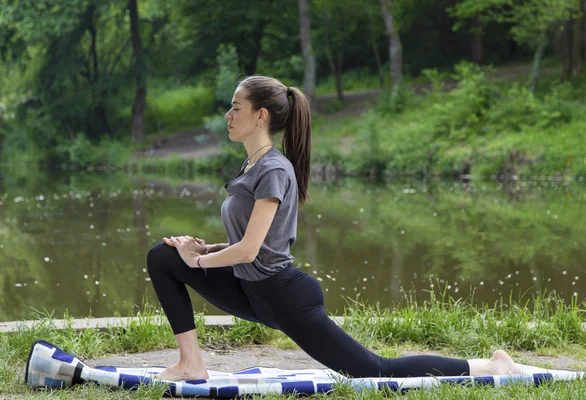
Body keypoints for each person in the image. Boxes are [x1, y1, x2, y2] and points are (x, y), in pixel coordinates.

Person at [146, 75, 524, 382]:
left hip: (283, 295)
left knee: (375, 371)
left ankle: (491, 366)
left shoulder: (274, 169)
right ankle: (191, 365)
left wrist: (195, 264)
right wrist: (201, 250)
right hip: (251, 290)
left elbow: (249, 251)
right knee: (163, 257)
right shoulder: (252, 166)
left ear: (260, 116)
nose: (228, 115)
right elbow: (252, 243)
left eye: (235, 107)